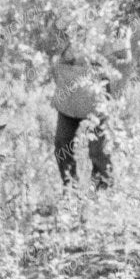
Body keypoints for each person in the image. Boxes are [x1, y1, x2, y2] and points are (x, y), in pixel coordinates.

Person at [49, 39, 114, 190]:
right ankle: (71, 188)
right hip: (69, 103)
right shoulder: (68, 26)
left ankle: (102, 190)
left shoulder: (104, 26)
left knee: (98, 150)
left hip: (95, 101)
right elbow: (56, 52)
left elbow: (120, 60)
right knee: (62, 145)